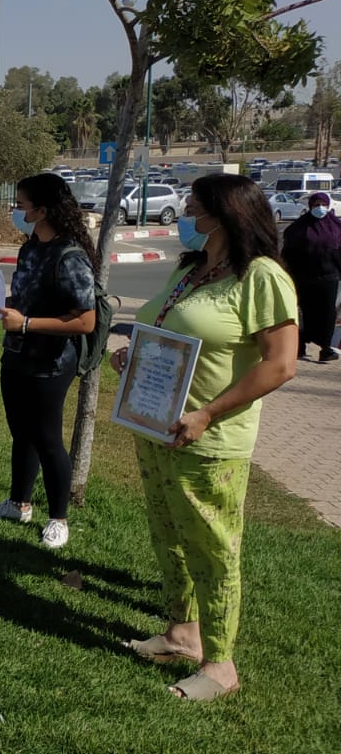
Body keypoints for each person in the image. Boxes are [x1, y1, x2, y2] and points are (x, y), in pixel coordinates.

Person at [115, 173, 298, 701]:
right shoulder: (191, 269)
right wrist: (135, 358)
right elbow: (167, 334)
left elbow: (281, 364)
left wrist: (208, 413)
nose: (184, 208)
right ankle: (182, 633)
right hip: (155, 427)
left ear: (223, 212)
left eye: (194, 202)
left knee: (213, 550)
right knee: (169, 535)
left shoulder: (261, 276)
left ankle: (221, 665)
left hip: (208, 440)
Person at [0, 173, 97, 548]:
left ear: (42, 210)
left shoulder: (70, 255)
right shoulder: (31, 248)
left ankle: (58, 517)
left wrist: (26, 323)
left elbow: (85, 319)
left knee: (47, 439)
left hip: (51, 361)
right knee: (21, 433)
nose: (15, 211)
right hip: (16, 354)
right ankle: (18, 502)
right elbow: (23, 300)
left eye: (21, 205)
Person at [280, 190, 341, 362]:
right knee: (303, 312)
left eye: (323, 205)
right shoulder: (299, 227)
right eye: (316, 205)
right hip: (303, 278)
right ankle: (300, 345)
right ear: (310, 207)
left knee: (327, 313)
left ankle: (326, 348)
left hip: (329, 277)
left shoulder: (336, 227)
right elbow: (288, 253)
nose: (320, 208)